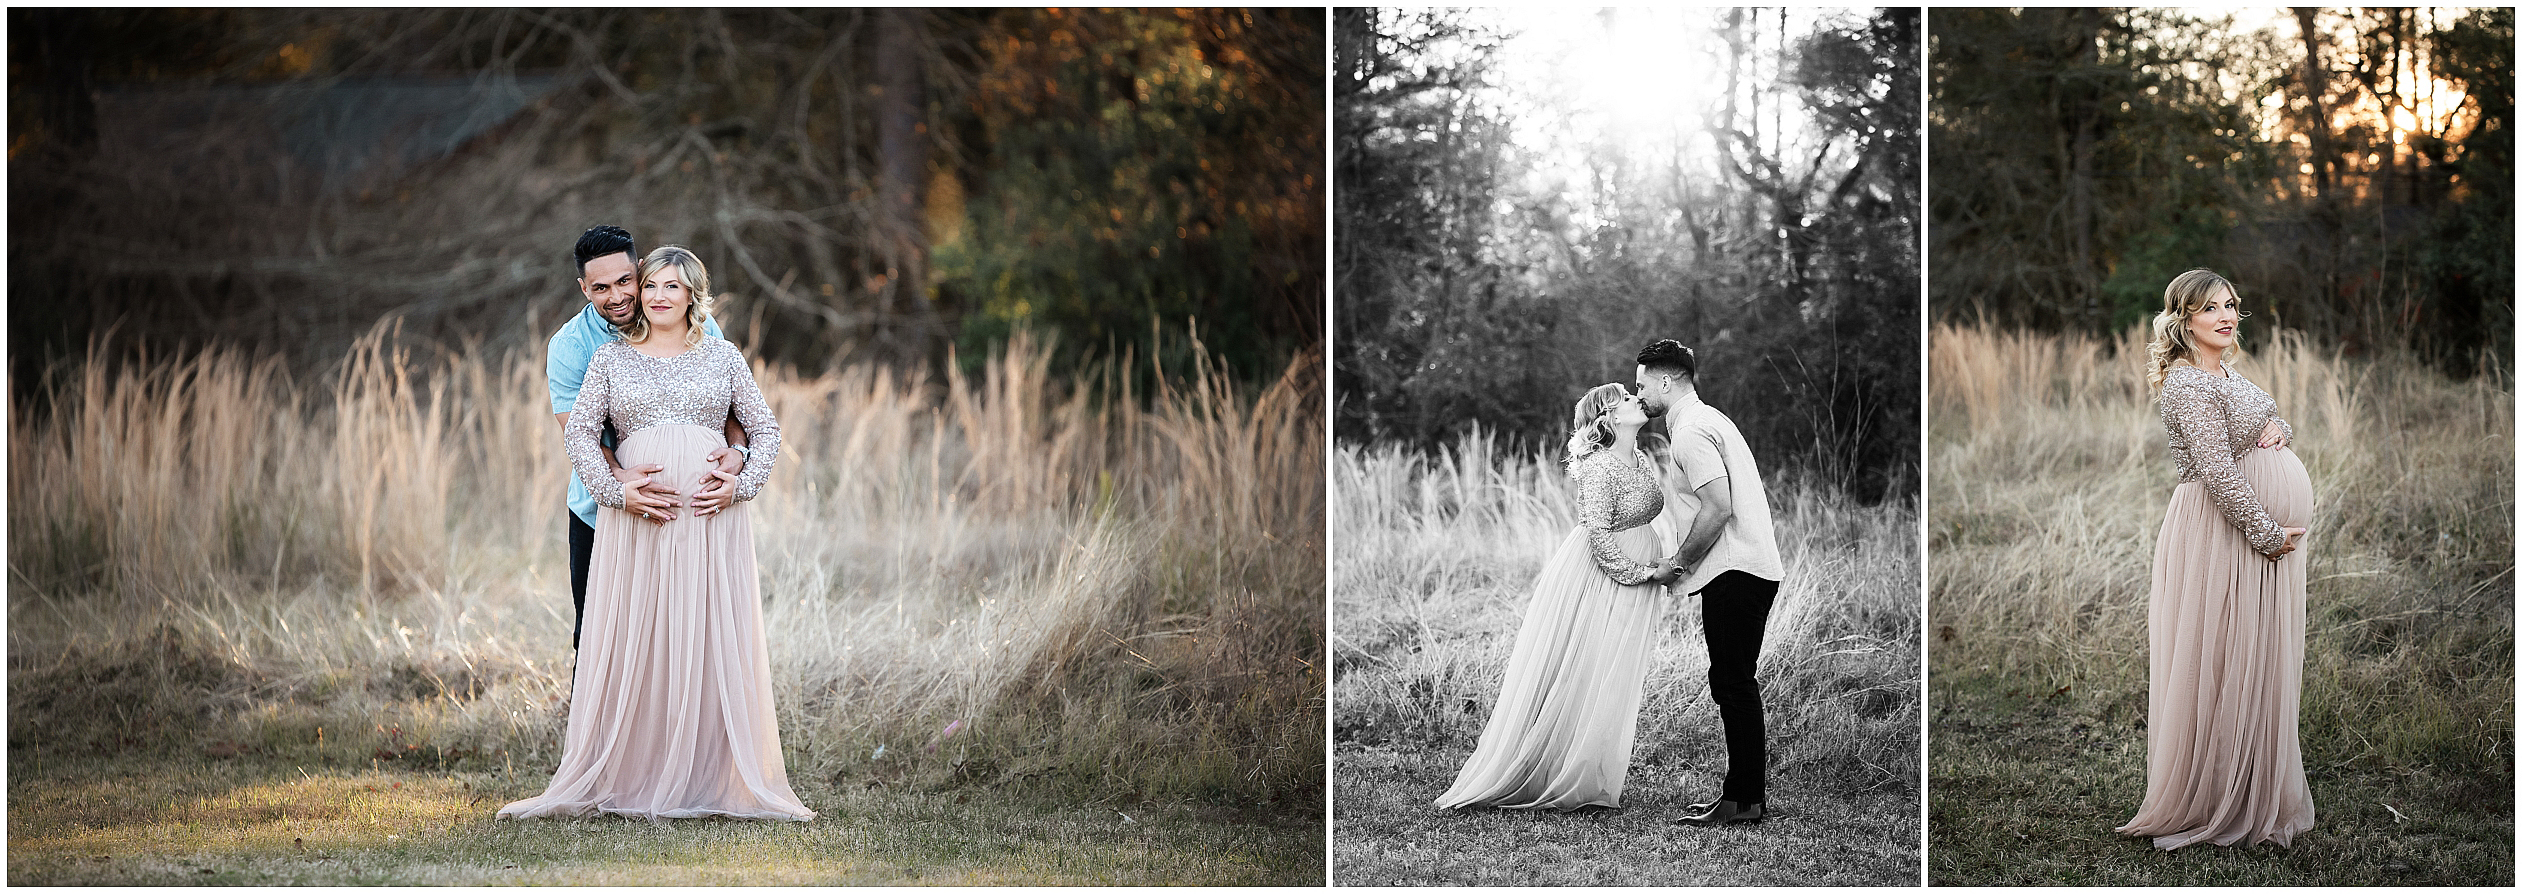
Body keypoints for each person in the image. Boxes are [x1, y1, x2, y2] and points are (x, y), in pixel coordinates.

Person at [501, 246, 814, 821]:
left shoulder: (721, 355)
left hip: (709, 516)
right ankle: (632, 769)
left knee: (702, 631)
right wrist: (618, 491)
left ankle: (708, 772)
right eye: (651, 286)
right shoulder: (605, 359)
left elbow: (763, 428)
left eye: (673, 286)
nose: (658, 295)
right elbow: (580, 437)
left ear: (694, 294)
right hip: (633, 520)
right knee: (633, 636)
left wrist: (740, 479)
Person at [2115, 268, 2313, 849]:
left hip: (2253, 534)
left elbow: (2259, 425)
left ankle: (2254, 783)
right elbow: (2216, 470)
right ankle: (2215, 795)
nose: (2226, 316)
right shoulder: (2185, 382)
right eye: (2210, 308)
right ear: (2185, 320)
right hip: (2223, 532)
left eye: (2231, 305)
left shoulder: (2224, 371)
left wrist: (2281, 425)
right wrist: (2267, 531)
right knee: (2222, 656)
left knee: (2257, 656)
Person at [1433, 383, 1683, 810]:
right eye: (1624, 398)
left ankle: (1588, 769)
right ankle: (1549, 769)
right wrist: (1645, 572)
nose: (1633, 399)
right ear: (1608, 418)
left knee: (1611, 670)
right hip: (1601, 576)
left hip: (1633, 576)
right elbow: (1599, 534)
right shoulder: (1599, 466)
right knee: (1586, 667)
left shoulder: (1638, 458)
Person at [546, 226, 748, 650]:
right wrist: (619, 482)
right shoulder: (571, 347)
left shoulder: (696, 323)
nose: (617, 296)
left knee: (691, 632)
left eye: (624, 281)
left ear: (640, 270)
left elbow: (732, 402)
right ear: (584, 288)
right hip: (598, 511)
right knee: (601, 636)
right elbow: (577, 433)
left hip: (692, 512)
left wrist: (737, 450)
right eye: (601, 287)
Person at [1632, 339, 1784, 827]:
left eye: (1641, 386)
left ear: (1666, 381)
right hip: (1743, 568)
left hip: (1734, 571)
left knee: (1733, 684)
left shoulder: (1692, 431)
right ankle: (1741, 796)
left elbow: (1718, 506)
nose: (1639, 398)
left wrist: (1678, 564)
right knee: (1733, 682)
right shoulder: (1708, 420)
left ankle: (1742, 801)